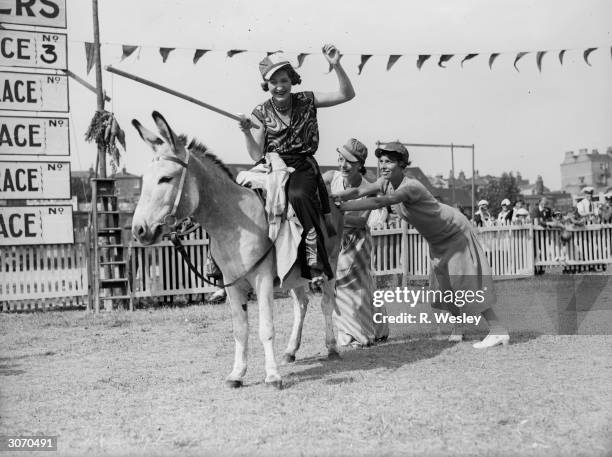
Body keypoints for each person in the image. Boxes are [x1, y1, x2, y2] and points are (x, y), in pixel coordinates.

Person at [333, 142, 509, 349]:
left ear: (401, 164)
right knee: (446, 286)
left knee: (464, 284)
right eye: (381, 161)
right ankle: (459, 326)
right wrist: (333, 197)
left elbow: (379, 203)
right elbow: (359, 191)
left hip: (454, 232)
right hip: (437, 238)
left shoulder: (411, 186)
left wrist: (341, 207)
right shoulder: (385, 182)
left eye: (389, 161)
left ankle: (498, 331)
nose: (383, 166)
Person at [238, 45, 355, 286]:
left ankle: (315, 258)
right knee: (240, 188)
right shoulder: (260, 112)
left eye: (283, 80)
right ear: (266, 84)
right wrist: (246, 133)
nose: (279, 86)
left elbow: (347, 94)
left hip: (302, 165)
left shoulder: (307, 100)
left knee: (298, 194)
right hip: (272, 164)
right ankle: (226, 262)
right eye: (273, 82)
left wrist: (337, 66)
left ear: (291, 80)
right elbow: (254, 154)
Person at [322, 139, 389, 347]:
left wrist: (334, 214)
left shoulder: (368, 186)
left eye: (349, 162)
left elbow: (361, 220)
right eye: (341, 159)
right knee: (343, 286)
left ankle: (358, 333)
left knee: (354, 287)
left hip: (357, 241)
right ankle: (366, 330)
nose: (343, 165)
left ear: (360, 164)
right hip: (336, 240)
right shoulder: (330, 177)